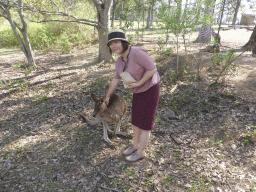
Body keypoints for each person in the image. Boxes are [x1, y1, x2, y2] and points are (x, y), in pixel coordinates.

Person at [105, 29, 160, 162]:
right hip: (137, 90)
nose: (114, 46)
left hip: (150, 89)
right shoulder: (120, 61)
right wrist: (107, 96)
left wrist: (139, 83)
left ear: (124, 42)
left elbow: (152, 69)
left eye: (116, 42)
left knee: (145, 122)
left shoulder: (136, 53)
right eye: (111, 44)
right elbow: (115, 79)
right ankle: (135, 145)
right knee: (136, 120)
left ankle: (141, 151)